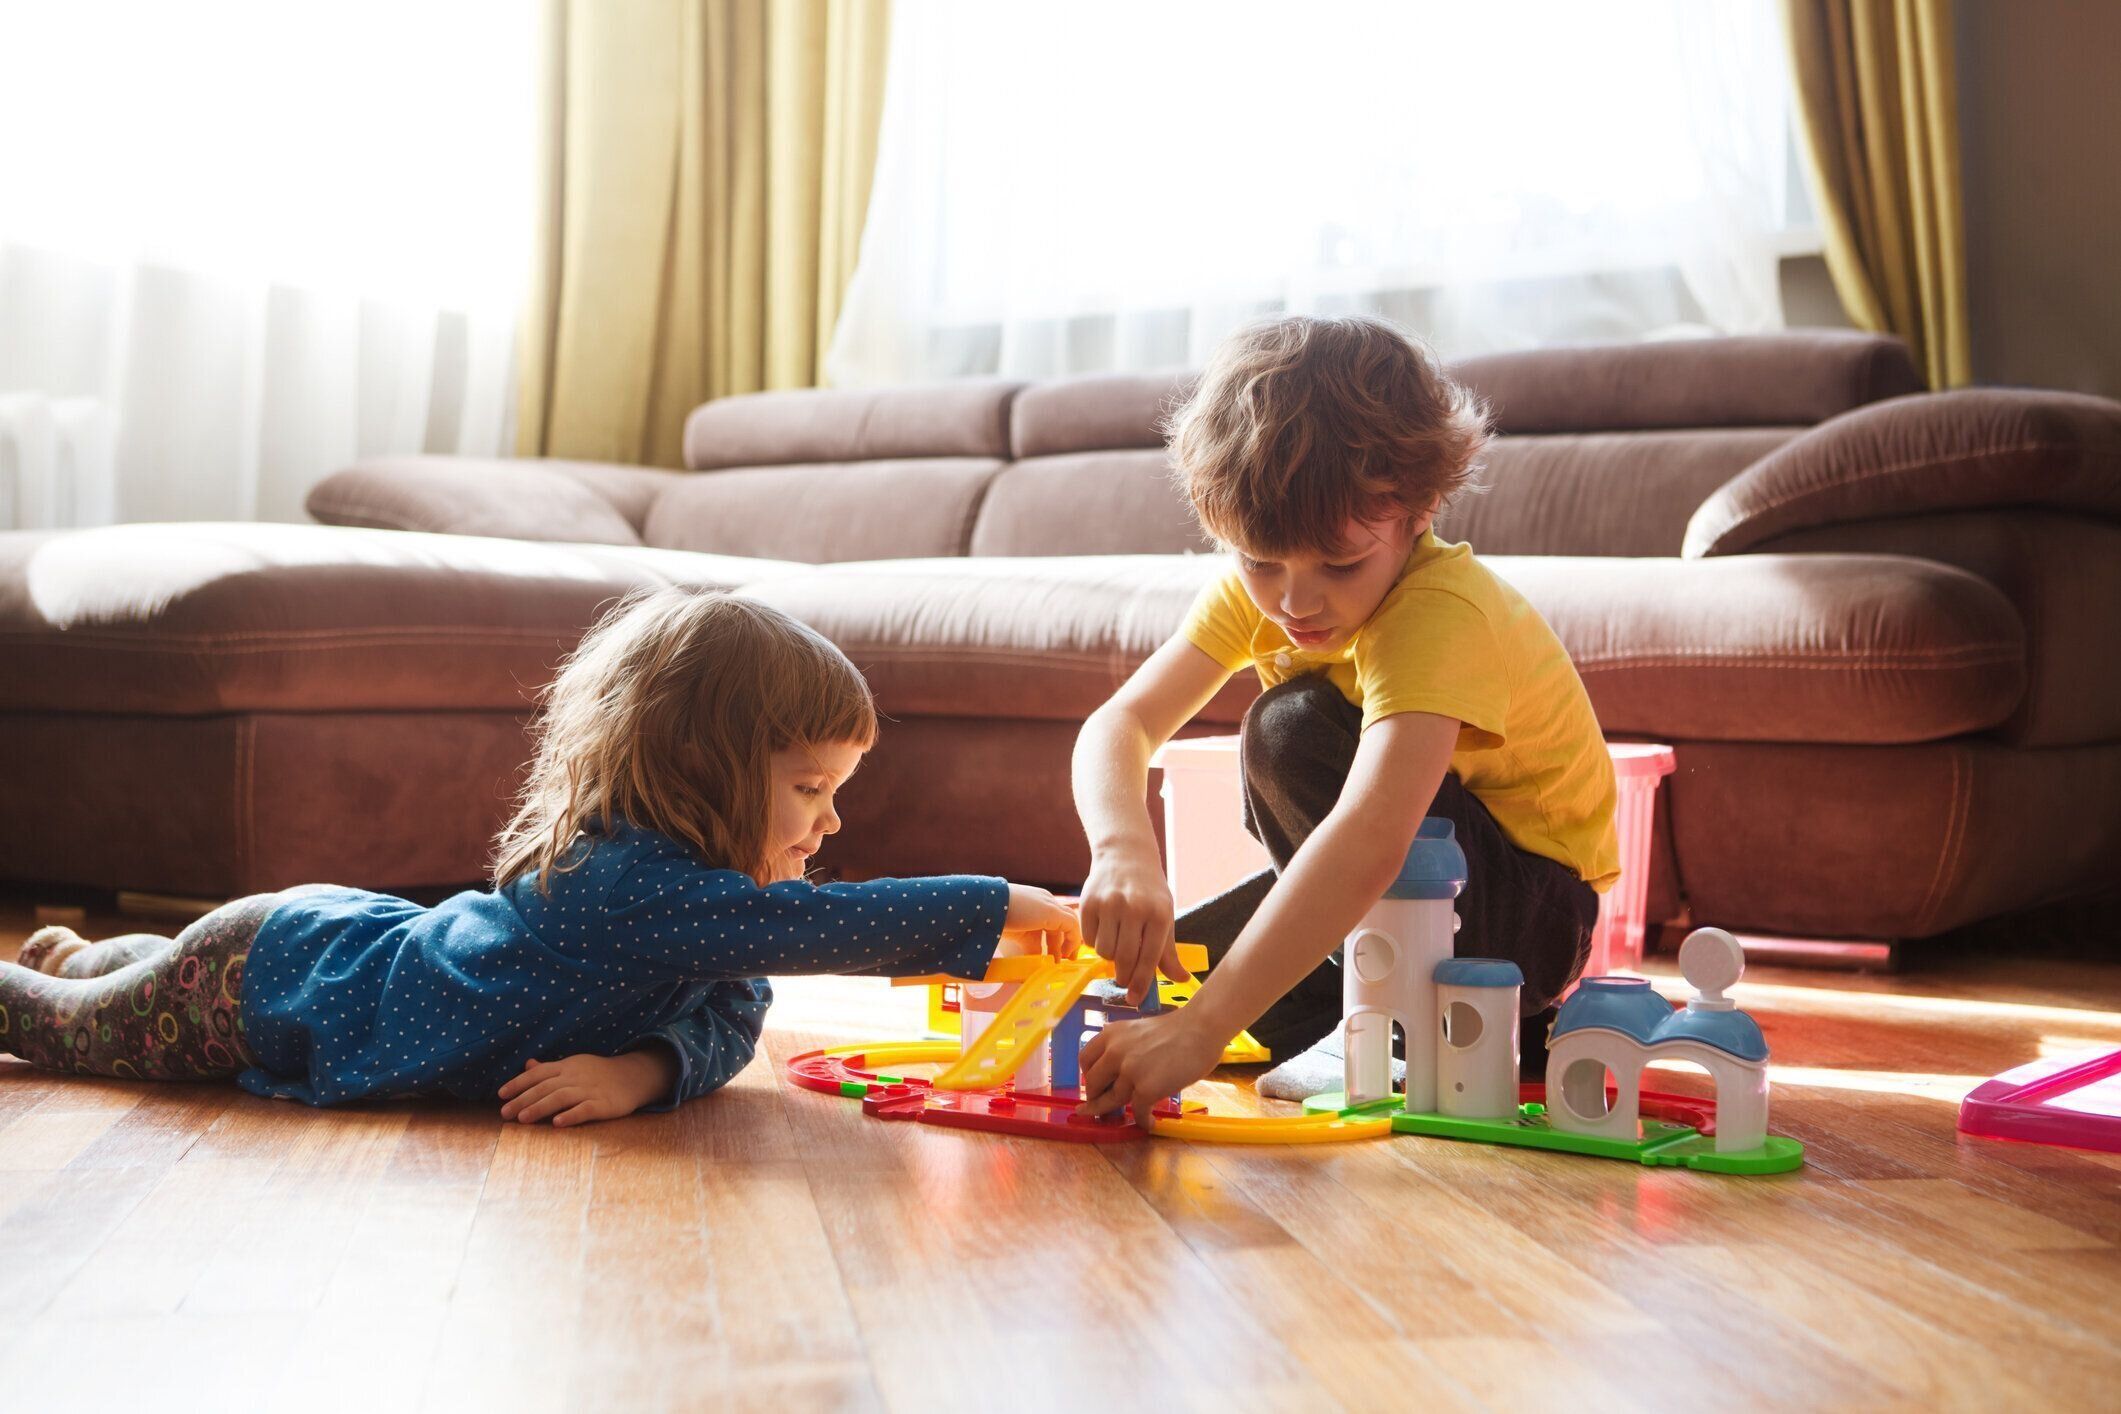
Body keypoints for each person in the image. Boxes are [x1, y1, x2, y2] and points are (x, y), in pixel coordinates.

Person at [2, 590, 1076, 1125]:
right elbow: (811, 935)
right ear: (701, 767)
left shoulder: (710, 914)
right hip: (275, 976)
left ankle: (106, 957)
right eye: (810, 790)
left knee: (135, 991)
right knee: (63, 1040)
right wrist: (1017, 899)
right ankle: (77, 977)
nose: (832, 824)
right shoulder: (623, 884)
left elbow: (736, 1007)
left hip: (321, 944)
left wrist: (641, 1070)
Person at [1072, 315, 1617, 1117]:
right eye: (1259, 561)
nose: (1294, 601)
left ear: (1420, 507)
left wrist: (1198, 1033)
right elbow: (1119, 724)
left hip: (1522, 912)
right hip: (1403, 895)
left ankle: (1408, 1024)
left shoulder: (1439, 610)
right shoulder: (1271, 588)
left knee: (1288, 725)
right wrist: (1122, 852)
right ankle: (1461, 1032)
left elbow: (1370, 835)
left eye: (1340, 562)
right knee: (1184, 974)